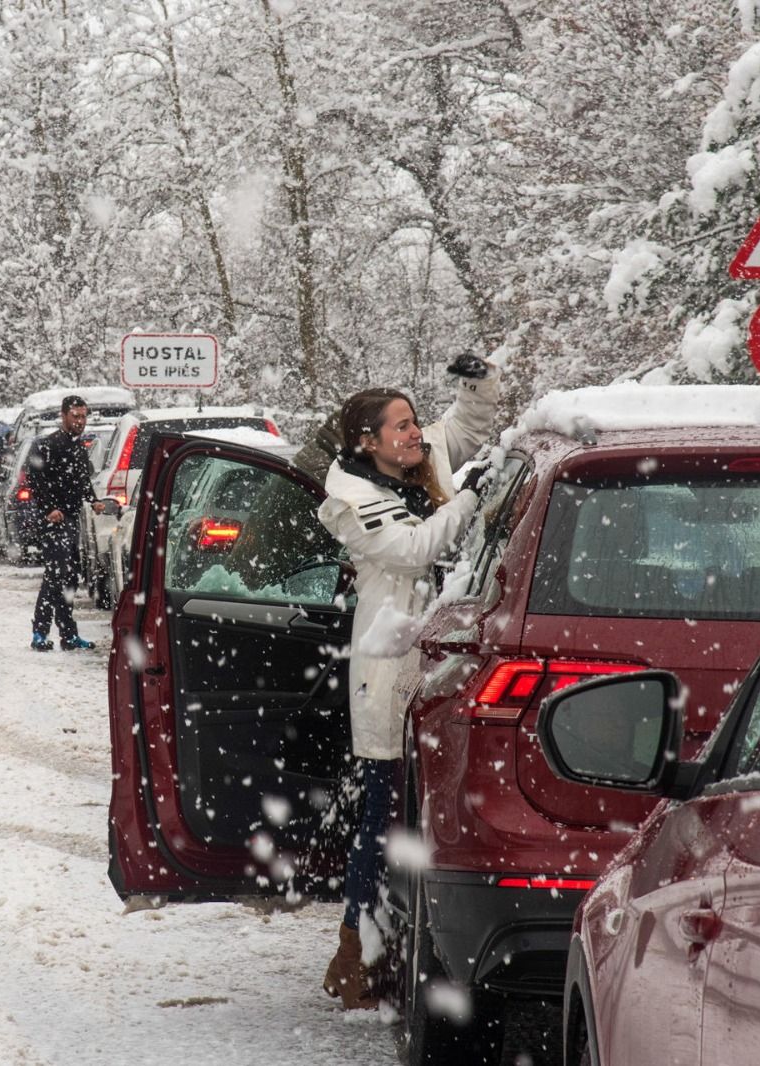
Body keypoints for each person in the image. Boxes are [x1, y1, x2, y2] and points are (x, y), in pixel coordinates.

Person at [313, 357, 501, 1010]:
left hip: (438, 663)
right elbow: (415, 549)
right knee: (383, 816)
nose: (415, 432)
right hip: (388, 673)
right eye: (400, 426)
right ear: (368, 441)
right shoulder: (351, 500)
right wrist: (479, 494)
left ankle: (397, 949)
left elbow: (471, 423)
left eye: (415, 420)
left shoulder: (424, 460)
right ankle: (355, 955)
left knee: (419, 815)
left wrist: (479, 382)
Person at [25, 395, 107, 651]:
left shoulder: (77, 446)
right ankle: (40, 633)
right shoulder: (47, 445)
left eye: (83, 417)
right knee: (55, 576)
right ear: (64, 415)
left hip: (72, 520)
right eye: (76, 416)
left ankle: (68, 635)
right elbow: (36, 481)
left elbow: (82, 480)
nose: (80, 422)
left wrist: (93, 500)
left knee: (69, 578)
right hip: (53, 522)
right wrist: (49, 509)